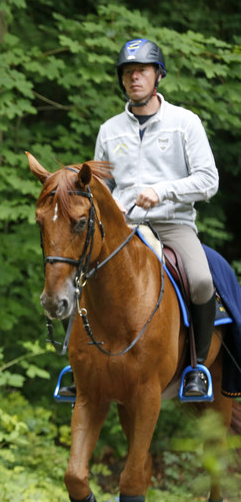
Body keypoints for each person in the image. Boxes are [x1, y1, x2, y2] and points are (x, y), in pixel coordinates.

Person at [94, 38, 219, 397]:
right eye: (128, 73)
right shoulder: (109, 130)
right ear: (122, 80)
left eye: (142, 72)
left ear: (158, 76)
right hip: (123, 227)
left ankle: (196, 368)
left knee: (200, 280)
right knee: (80, 276)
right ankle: (79, 366)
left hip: (172, 222)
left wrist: (162, 190)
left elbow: (208, 180)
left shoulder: (185, 123)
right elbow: (103, 186)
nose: (135, 78)